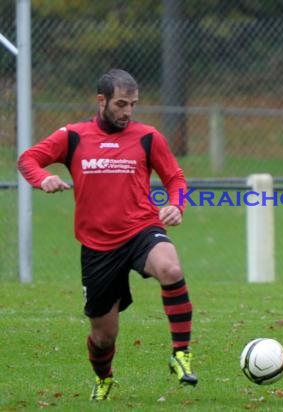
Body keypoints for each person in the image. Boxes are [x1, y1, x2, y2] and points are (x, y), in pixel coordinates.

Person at [17, 69, 198, 400]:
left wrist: (177, 205)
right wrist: (42, 179)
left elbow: (177, 178)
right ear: (101, 101)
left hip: (141, 229)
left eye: (133, 104)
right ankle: (104, 378)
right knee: (104, 337)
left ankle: (181, 353)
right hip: (98, 248)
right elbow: (27, 159)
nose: (127, 112)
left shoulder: (147, 137)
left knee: (170, 267)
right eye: (120, 104)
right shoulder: (72, 136)